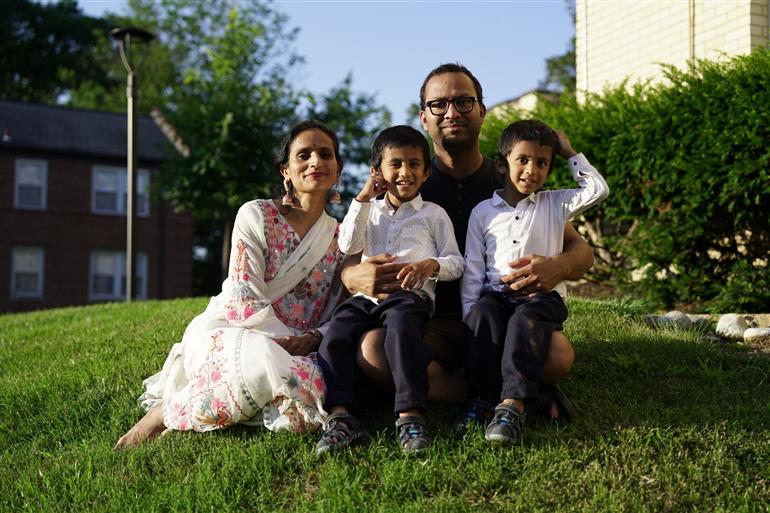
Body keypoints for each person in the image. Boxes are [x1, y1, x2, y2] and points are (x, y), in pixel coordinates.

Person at [341, 64, 594, 415]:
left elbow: (581, 250)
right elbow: (350, 251)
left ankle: (455, 387)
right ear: (423, 118)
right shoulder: (405, 185)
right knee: (372, 350)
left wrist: (559, 266)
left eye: (463, 101)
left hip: (499, 317)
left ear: (482, 111)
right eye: (438, 104)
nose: (451, 112)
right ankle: (508, 392)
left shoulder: (512, 178)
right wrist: (353, 275)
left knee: (559, 355)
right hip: (423, 321)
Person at [114, 120, 345, 449]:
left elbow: (341, 304)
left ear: (337, 170)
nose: (316, 162)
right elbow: (242, 295)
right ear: (286, 171)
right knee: (263, 357)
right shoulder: (256, 215)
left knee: (310, 384)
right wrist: (281, 341)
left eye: (326, 154)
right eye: (303, 155)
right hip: (234, 331)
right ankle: (167, 412)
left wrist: (312, 338)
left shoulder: (343, 237)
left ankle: (189, 405)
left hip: (304, 346)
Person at [316, 126, 464, 455]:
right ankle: (340, 417)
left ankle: (410, 415)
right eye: (395, 164)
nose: (405, 172)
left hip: (409, 298)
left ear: (426, 172)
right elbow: (347, 244)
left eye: (414, 164)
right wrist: (363, 198)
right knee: (337, 333)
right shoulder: (368, 211)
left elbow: (457, 261)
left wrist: (431, 265)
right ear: (378, 172)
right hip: (366, 298)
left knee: (401, 330)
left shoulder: (434, 215)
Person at [460, 120, 609, 443]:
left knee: (524, 321)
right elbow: (473, 267)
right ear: (502, 164)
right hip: (496, 296)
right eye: (523, 160)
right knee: (483, 318)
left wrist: (569, 152)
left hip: (542, 298)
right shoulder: (483, 212)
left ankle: (513, 406)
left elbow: (598, 190)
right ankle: (484, 400)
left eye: (542, 163)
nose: (532, 170)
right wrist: (469, 313)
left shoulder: (554, 204)